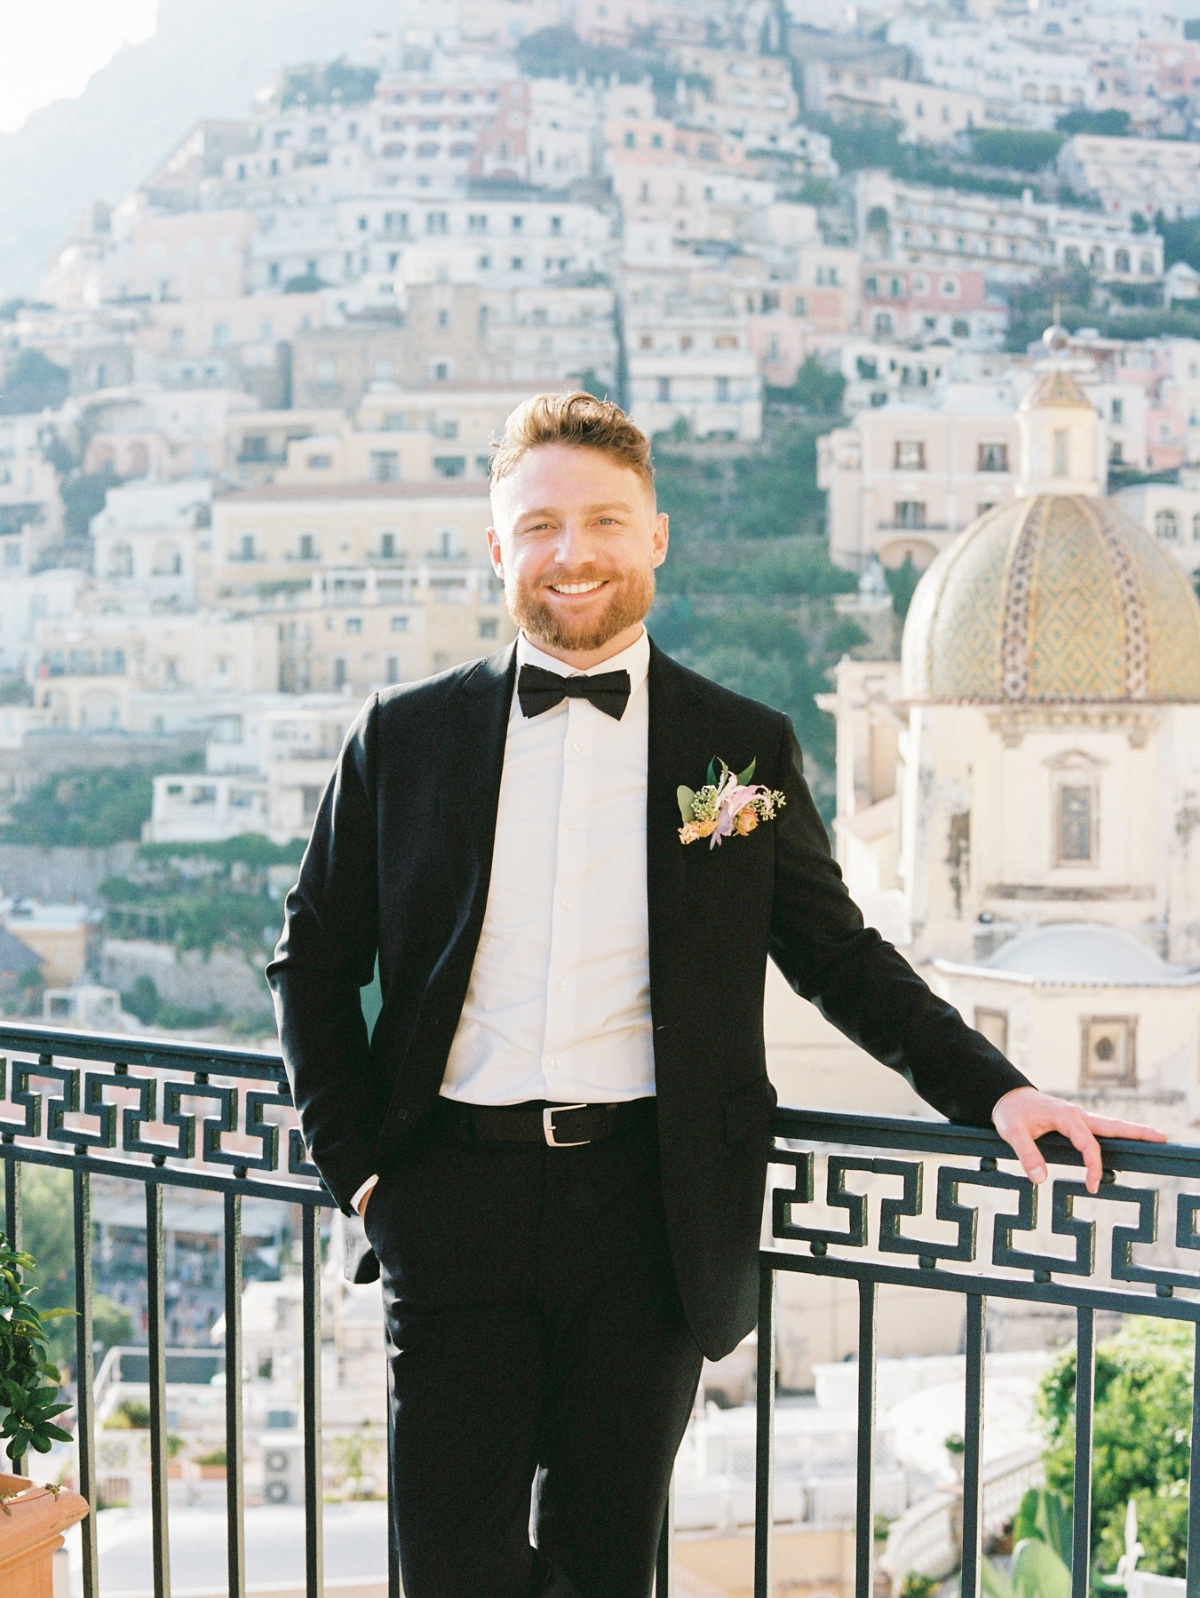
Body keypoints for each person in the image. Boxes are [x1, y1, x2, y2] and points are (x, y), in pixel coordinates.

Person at [267, 392, 1165, 1598]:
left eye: (602, 520)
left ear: (657, 536)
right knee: (451, 1572)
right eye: (538, 526)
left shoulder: (737, 748)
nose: (571, 552)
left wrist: (996, 1092)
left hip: (650, 1218)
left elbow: (840, 958)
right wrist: (362, 1173)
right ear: (497, 548)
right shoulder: (401, 736)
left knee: (603, 1570)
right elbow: (312, 959)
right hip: (451, 1208)